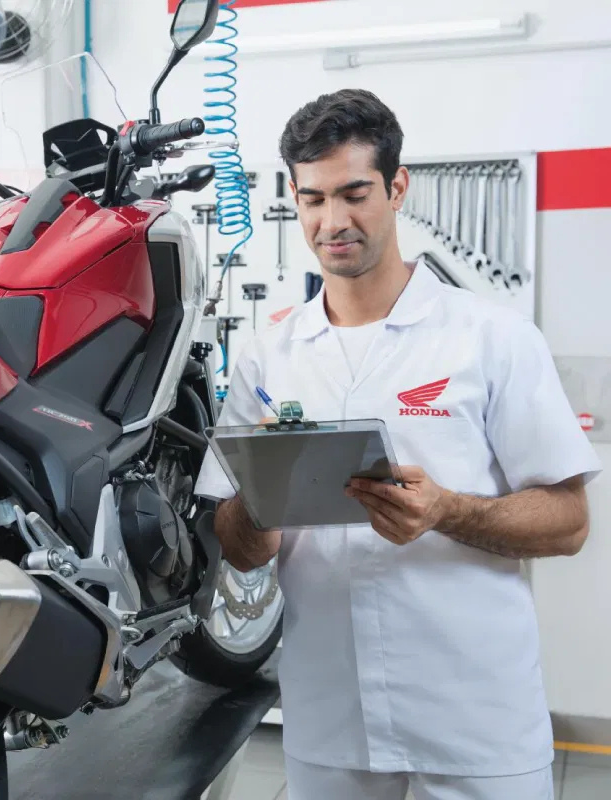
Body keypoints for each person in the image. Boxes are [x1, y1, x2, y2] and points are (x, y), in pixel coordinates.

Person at [194, 88, 601, 800]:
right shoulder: (267, 358)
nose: (333, 222)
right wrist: (261, 503)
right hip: (329, 711)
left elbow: (568, 523)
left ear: (397, 187)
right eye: (313, 199)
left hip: (475, 711)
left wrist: (447, 511)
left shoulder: (492, 339)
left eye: (354, 194)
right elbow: (238, 545)